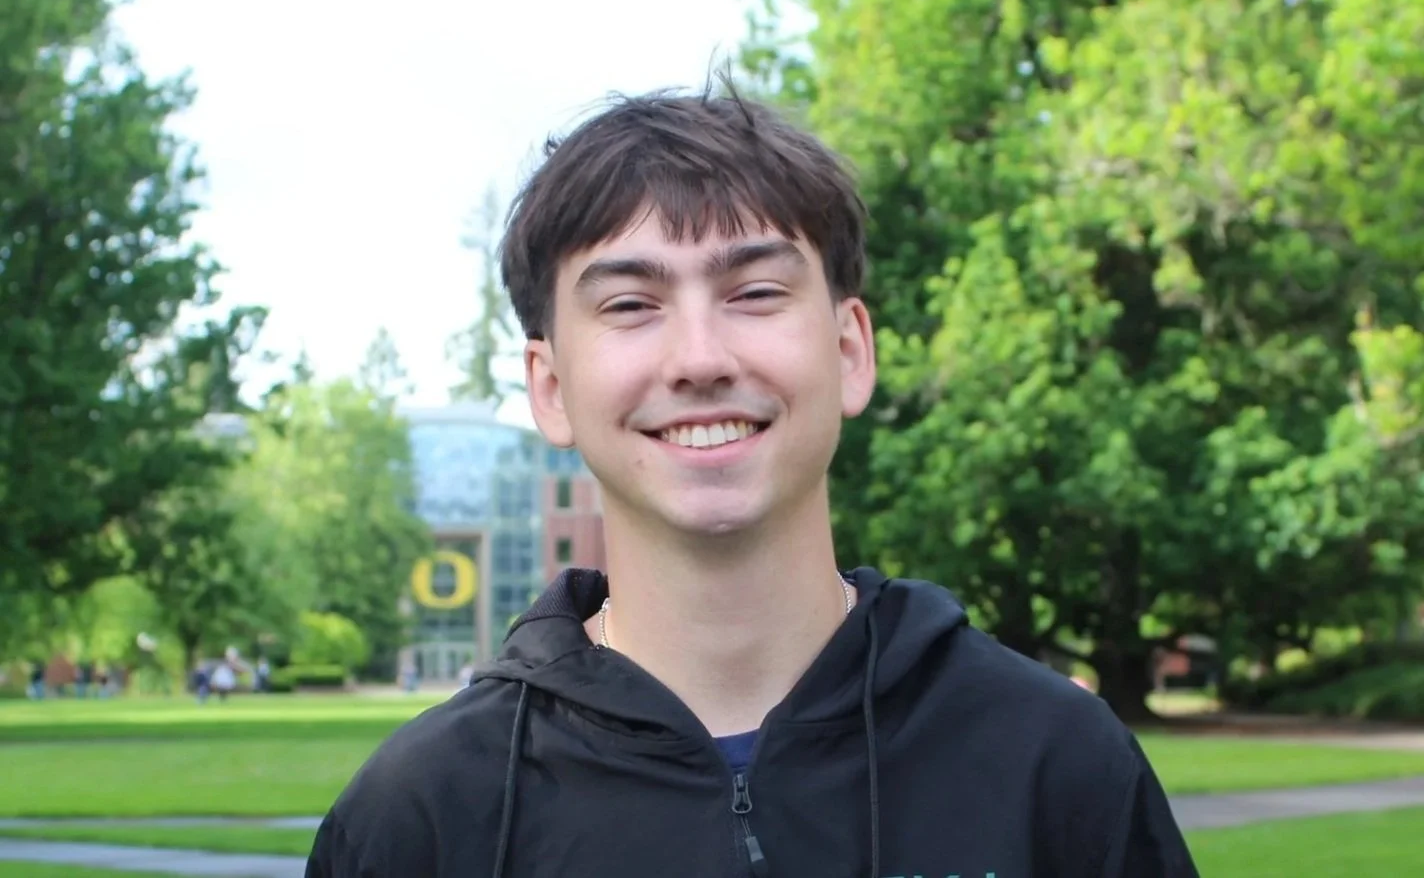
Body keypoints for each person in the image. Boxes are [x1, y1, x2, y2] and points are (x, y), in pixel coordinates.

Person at [305, 81, 1199, 877]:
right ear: (550, 387)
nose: (699, 358)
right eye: (630, 305)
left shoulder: (1051, 762)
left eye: (756, 292)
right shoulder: (420, 817)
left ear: (850, 351)